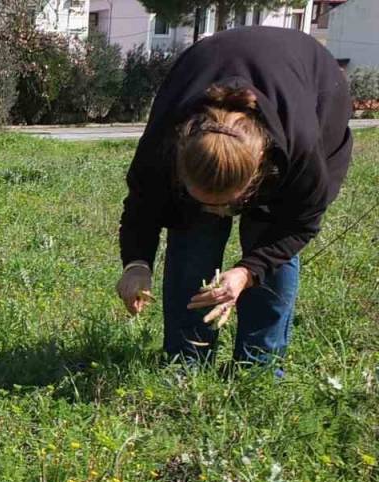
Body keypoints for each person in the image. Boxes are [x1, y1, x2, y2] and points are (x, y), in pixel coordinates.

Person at [115, 26, 353, 365]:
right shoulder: (164, 143)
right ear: (180, 170)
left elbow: (298, 224)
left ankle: (258, 365)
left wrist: (247, 271)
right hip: (204, 67)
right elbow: (143, 205)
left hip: (311, 85)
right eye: (204, 200)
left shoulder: (300, 152)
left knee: (267, 238)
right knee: (191, 232)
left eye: (225, 203)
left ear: (257, 178)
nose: (217, 212)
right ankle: (186, 360)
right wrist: (137, 264)